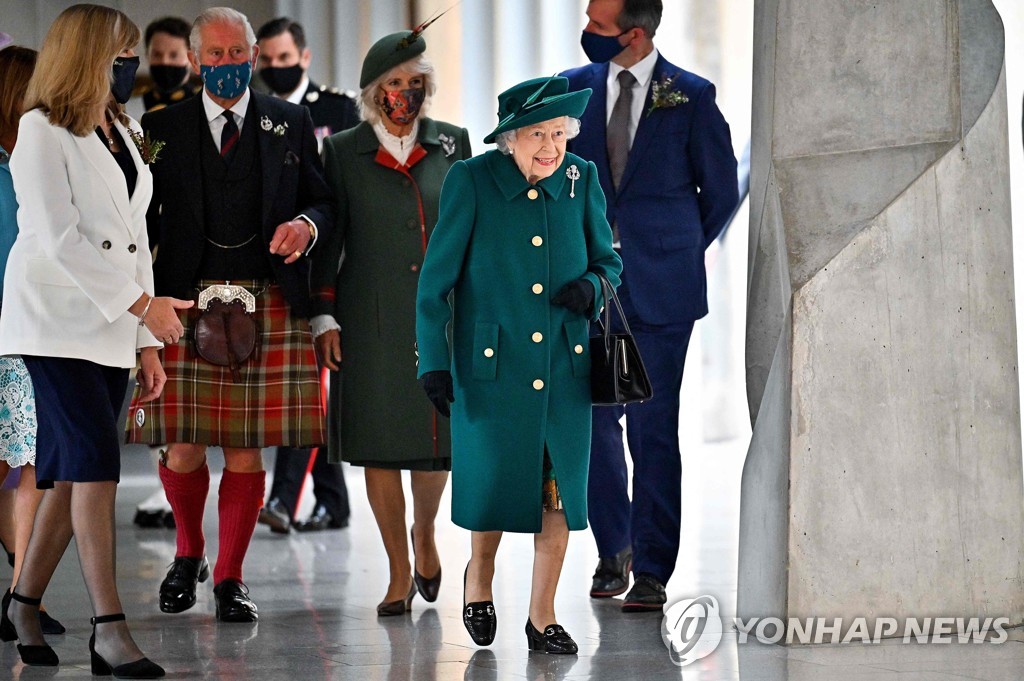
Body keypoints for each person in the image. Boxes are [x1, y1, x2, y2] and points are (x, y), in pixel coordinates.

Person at [124, 6, 333, 624]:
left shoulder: (290, 121)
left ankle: (231, 579)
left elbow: (322, 198)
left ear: (252, 55)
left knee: (246, 451)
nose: (225, 66)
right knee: (182, 447)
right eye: (211, 55)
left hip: (268, 299)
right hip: (183, 302)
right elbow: (137, 223)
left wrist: (307, 225)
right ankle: (187, 553)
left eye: (235, 53)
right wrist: (143, 308)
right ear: (194, 59)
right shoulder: (159, 126)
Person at [0, 5, 189, 675]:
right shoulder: (39, 128)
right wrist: (143, 305)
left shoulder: (121, 127)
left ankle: (22, 601)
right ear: (84, 54)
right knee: (94, 464)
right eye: (120, 51)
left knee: (70, 470)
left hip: (109, 324)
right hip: (52, 321)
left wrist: (145, 340)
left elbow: (136, 241)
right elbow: (57, 237)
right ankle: (109, 628)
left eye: (132, 52)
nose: (130, 64)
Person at [416, 76, 622, 652]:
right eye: (538, 135)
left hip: (564, 368)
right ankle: (478, 582)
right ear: (510, 139)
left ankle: (542, 615)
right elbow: (436, 285)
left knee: (558, 493)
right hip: (492, 368)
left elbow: (610, 261)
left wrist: (592, 287)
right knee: (495, 486)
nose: (552, 148)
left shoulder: (581, 180)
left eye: (559, 134)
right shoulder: (472, 181)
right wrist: (432, 360)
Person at [561, 0, 739, 611]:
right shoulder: (570, 91)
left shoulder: (689, 96)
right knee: (592, 423)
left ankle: (655, 568)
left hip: (662, 290)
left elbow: (717, 193)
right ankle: (615, 550)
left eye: (597, 25)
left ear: (635, 35)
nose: (585, 32)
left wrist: (674, 246)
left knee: (653, 429)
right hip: (588, 290)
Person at [311, 28, 470, 615]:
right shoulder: (342, 150)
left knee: (434, 446)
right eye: (394, 84)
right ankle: (398, 571)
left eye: (415, 82)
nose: (406, 92)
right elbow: (332, 238)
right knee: (379, 448)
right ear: (374, 92)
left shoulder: (454, 143)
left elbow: (469, 230)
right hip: (369, 316)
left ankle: (424, 535)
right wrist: (323, 314)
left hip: (441, 318)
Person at [255, 16, 358, 535]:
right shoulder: (254, 112)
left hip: (336, 259)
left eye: (284, 58)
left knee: (312, 384)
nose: (277, 68)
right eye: (267, 60)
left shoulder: (339, 109)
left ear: (305, 56)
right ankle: (333, 501)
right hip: (286, 262)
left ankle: (284, 497)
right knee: (309, 383)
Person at [0, 43, 66, 639]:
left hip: (28, 331)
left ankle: (24, 596)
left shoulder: (42, 154)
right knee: (17, 465)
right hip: (5, 332)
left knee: (27, 467)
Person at [139, 16, 202, 113]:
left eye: (174, 55)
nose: (164, 61)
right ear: (147, 55)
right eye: (157, 54)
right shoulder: (133, 104)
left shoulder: (205, 105)